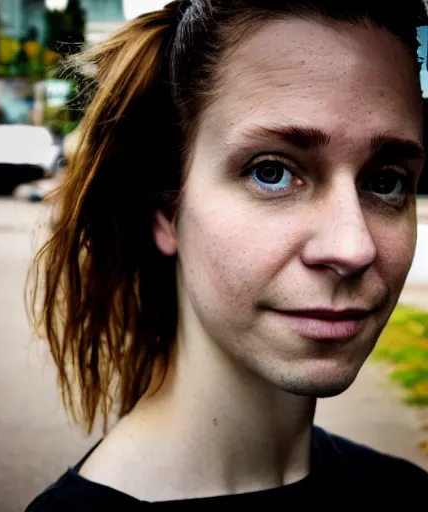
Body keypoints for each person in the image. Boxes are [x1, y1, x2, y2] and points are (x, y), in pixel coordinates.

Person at [26, 0, 428, 508]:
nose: (352, 248)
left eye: (387, 181)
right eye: (272, 171)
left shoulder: (404, 492)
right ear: (169, 215)